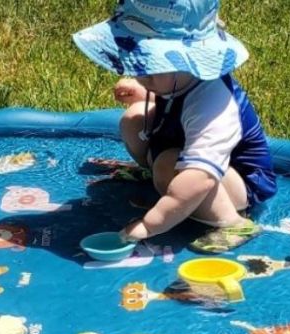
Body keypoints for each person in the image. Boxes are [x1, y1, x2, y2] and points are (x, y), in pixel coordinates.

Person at [73, 0, 277, 252]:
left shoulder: (214, 105)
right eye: (139, 67)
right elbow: (173, 100)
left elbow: (200, 178)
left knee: (168, 165)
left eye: (149, 69)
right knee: (133, 119)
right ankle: (159, 178)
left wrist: (150, 225)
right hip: (186, 149)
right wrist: (143, 89)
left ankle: (233, 223)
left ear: (186, 61)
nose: (141, 75)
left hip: (235, 182)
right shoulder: (180, 79)